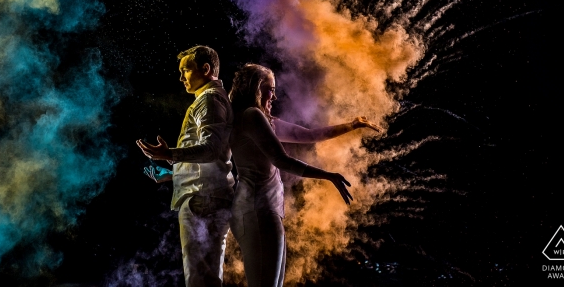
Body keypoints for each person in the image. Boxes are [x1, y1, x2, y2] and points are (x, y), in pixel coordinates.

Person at [228, 63, 381, 287]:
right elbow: (281, 160)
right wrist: (329, 176)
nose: (274, 96)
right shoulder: (251, 116)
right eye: (270, 89)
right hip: (256, 211)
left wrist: (351, 125)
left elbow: (308, 135)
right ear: (255, 88)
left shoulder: (259, 120)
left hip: (259, 210)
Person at [136, 45, 234, 287]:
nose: (181, 77)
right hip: (206, 196)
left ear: (206, 69)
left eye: (186, 70)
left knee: (200, 280)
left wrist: (169, 153)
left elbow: (211, 149)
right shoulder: (210, 100)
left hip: (202, 199)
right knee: (206, 278)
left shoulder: (209, 100)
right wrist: (174, 174)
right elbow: (211, 153)